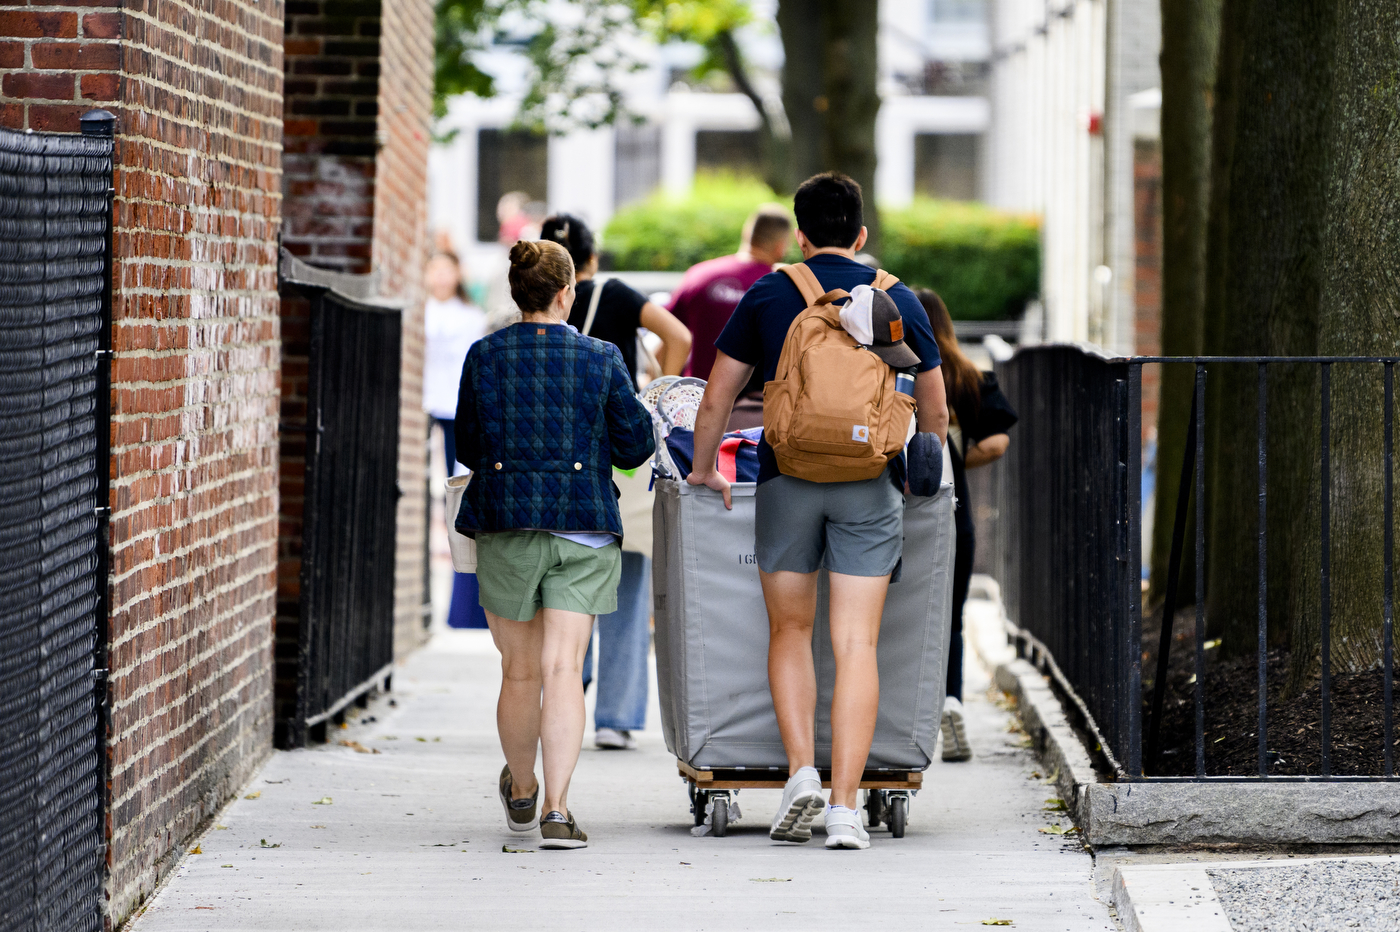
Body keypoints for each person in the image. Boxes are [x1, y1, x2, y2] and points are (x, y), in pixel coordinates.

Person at [685, 173, 950, 850]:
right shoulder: (897, 298)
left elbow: (716, 397)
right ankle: (844, 810)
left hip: (786, 478)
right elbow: (935, 407)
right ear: (861, 234)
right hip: (869, 479)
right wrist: (923, 469)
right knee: (856, 643)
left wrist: (703, 466)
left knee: (789, 632)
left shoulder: (772, 292)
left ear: (800, 235)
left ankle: (801, 771)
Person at [454, 239, 655, 849]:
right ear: (567, 293)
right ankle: (560, 811)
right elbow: (634, 447)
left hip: (506, 522)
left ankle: (521, 790)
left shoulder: (483, 356)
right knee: (563, 669)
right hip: (583, 526)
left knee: (520, 673)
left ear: (519, 294)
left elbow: (467, 444)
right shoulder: (602, 357)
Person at [540, 213, 691, 751]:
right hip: (620, 460)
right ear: (592, 259)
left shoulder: (541, 301)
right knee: (627, 587)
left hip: (558, 456)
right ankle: (617, 717)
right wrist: (658, 390)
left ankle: (562, 694)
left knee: (562, 583)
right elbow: (678, 334)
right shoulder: (617, 292)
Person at [915, 289, 1017, 762]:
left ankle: (901, 718)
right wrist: (952, 459)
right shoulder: (967, 376)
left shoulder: (894, 369)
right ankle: (950, 701)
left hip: (888, 511)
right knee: (948, 618)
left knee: (887, 618)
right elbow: (997, 443)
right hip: (950, 511)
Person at [423, 249, 492, 630]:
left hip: (456, 410)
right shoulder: (423, 311)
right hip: (424, 407)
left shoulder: (471, 317)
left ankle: (463, 605)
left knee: (458, 493)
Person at [667, 204, 792, 380]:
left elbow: (668, 334)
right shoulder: (782, 286)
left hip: (694, 398)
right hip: (755, 403)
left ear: (748, 235)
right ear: (781, 246)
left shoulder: (699, 275)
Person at [423, 250, 488, 478]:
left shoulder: (472, 316)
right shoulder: (420, 311)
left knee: (455, 469)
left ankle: (450, 512)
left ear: (458, 274)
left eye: (447, 270)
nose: (441, 277)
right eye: (435, 270)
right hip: (424, 397)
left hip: (455, 399)